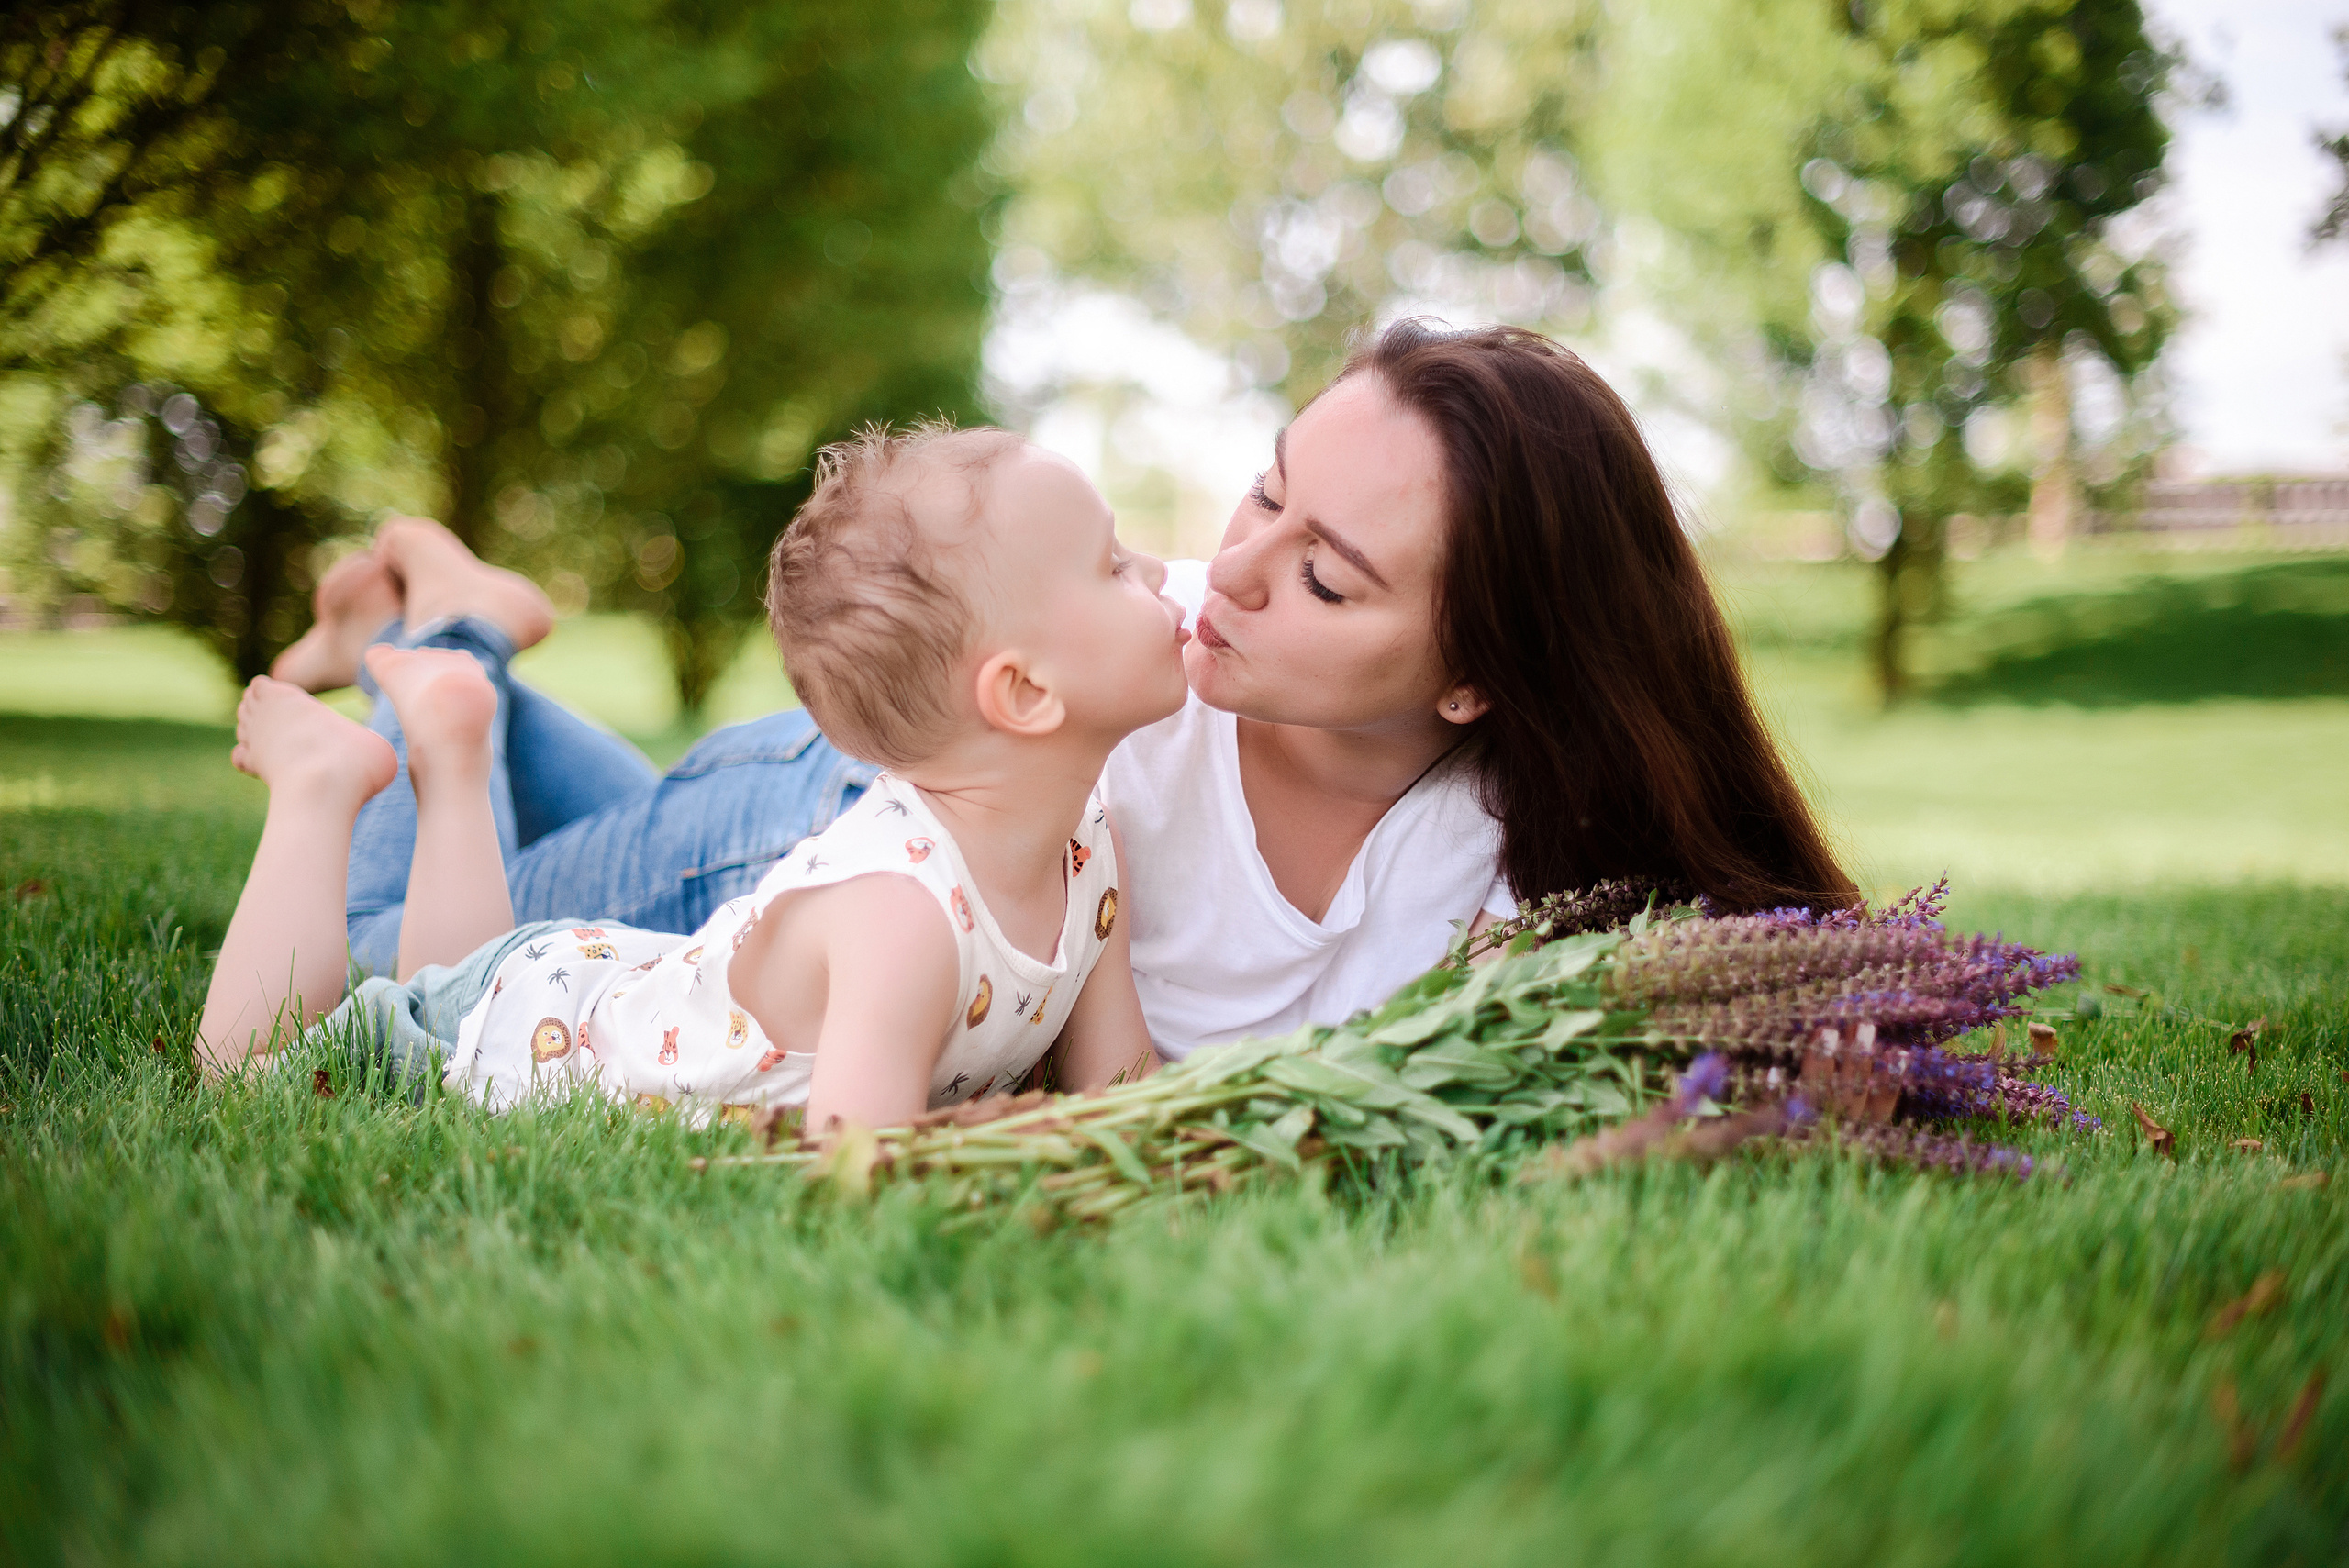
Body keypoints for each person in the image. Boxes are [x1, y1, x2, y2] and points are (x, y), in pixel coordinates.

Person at [273, 319, 1854, 1066]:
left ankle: (464, 632)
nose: (1224, 575)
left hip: (902, 884)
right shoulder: (1130, 654)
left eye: (1324, 577)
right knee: (373, 985)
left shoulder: (1500, 873)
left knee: (549, 840)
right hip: (794, 842)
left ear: (1476, 680)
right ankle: (458, 669)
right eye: (1264, 490)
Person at [199, 425, 1189, 1129]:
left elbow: (1118, 1087)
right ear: (1022, 692)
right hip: (552, 1034)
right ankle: (318, 783)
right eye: (1112, 563)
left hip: (599, 985)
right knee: (249, 1078)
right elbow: (856, 1172)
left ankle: (456, 753)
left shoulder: (1085, 842)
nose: (1155, 571)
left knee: (461, 975)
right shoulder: (902, 916)